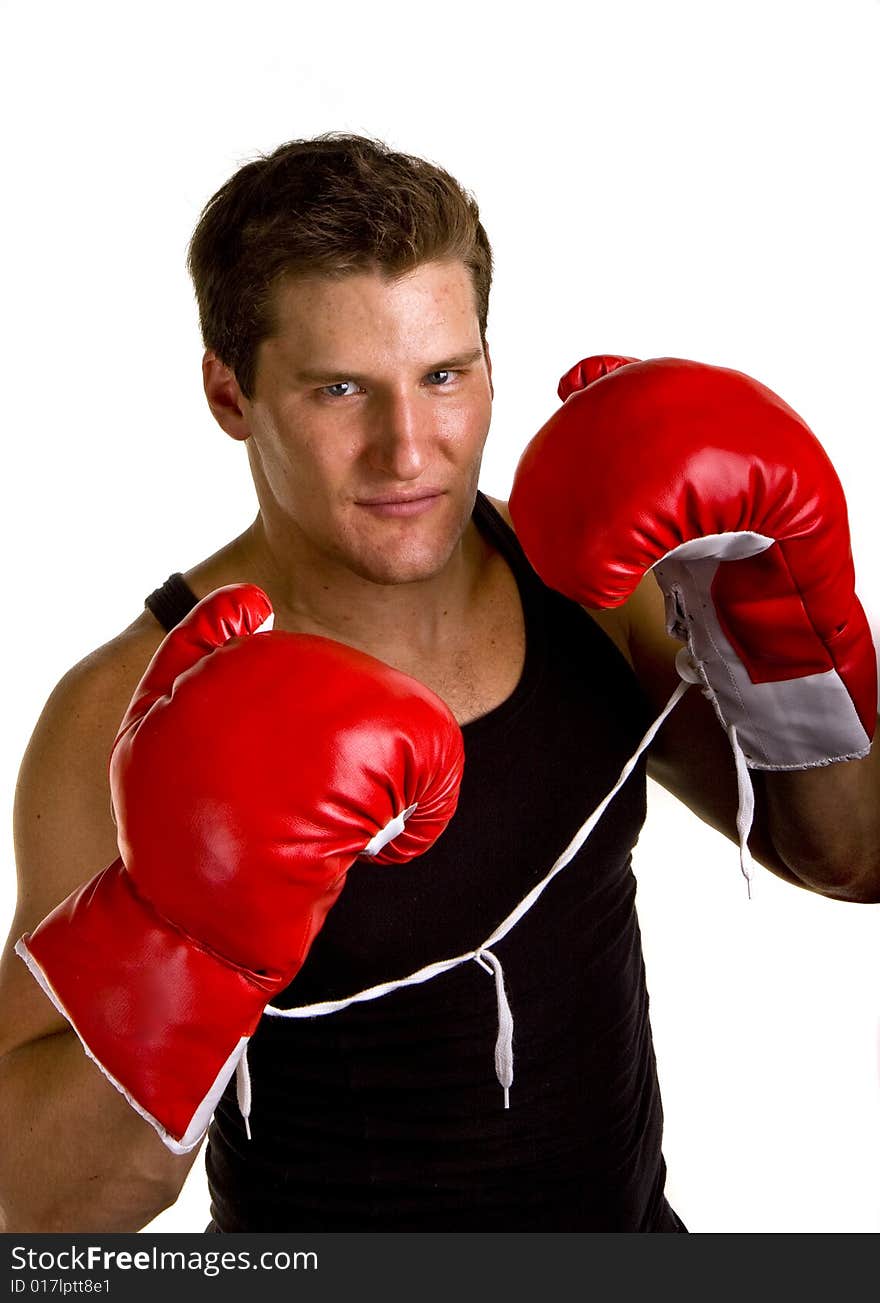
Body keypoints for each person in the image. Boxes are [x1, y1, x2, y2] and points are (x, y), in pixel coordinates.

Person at [1, 133, 878, 1234]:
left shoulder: (586, 582)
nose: (408, 450)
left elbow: (845, 854)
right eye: (338, 390)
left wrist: (776, 615)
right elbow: (32, 1208)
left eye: (445, 376)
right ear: (230, 395)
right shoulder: (126, 710)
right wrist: (188, 941)